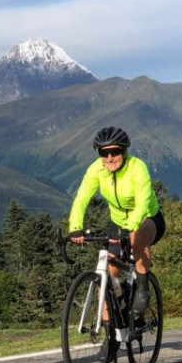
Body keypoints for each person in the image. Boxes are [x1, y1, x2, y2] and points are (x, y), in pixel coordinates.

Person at [68, 126, 165, 316]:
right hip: (118, 222)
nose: (110, 158)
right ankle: (109, 333)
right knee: (105, 276)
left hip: (147, 218)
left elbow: (144, 201)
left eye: (115, 151)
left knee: (137, 237)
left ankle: (143, 288)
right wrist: (75, 227)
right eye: (104, 153)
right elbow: (82, 198)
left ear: (124, 151)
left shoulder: (137, 167)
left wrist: (131, 226)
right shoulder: (96, 169)